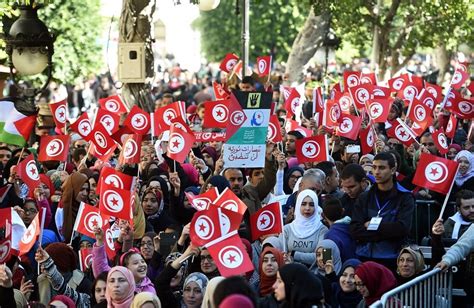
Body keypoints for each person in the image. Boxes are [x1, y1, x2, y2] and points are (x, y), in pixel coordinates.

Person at [350, 152, 415, 271]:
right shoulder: (364, 197)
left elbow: (402, 228)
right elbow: (355, 229)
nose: (377, 172)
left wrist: (372, 227)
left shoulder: (405, 197)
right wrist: (387, 230)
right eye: (374, 167)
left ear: (392, 169)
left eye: (382, 167)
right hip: (364, 257)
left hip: (391, 259)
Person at [280, 189, 327, 266]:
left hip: (313, 275)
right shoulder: (286, 229)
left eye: (311, 204)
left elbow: (324, 259)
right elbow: (281, 256)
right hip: (289, 274)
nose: (307, 208)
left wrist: (294, 254)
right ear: (298, 205)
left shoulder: (323, 230)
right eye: (303, 204)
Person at [322, 197, 357, 262]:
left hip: (340, 270)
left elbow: (326, 261)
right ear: (343, 210)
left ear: (323, 215)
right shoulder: (354, 227)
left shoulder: (328, 236)